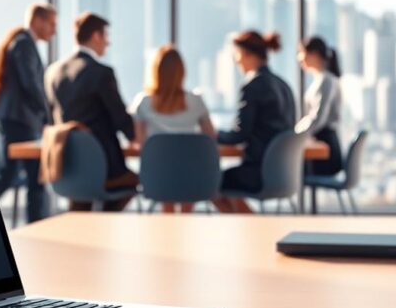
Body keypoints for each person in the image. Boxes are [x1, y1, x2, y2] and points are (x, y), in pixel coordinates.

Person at [45, 12, 137, 212]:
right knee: (133, 182)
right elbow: (120, 118)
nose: (108, 43)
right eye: (106, 37)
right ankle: (102, 221)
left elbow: (50, 117)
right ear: (96, 36)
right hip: (105, 170)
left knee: (81, 195)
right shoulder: (101, 73)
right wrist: (135, 136)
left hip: (66, 166)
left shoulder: (52, 72)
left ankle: (82, 229)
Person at [0, 2, 56, 223]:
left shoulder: (21, 42)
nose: (54, 30)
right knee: (33, 176)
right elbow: (31, 84)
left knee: (11, 174)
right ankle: (36, 227)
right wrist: (48, 117)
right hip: (20, 119)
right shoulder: (24, 44)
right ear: (37, 21)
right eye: (51, 24)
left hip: (17, 118)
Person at [213, 31, 296, 214]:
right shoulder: (284, 85)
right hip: (285, 173)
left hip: (258, 172)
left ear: (247, 53)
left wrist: (215, 135)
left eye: (237, 54)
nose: (236, 61)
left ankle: (251, 223)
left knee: (208, 181)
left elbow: (239, 134)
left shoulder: (252, 85)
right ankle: (250, 224)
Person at [130, 45, 216, 213]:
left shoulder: (143, 102)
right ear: (182, 72)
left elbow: (140, 143)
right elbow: (210, 136)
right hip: (193, 176)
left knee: (166, 182)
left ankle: (167, 224)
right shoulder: (196, 101)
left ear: (154, 71)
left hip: (158, 177)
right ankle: (184, 218)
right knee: (187, 181)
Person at [296, 37, 344, 176]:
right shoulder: (322, 79)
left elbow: (318, 118)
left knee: (287, 167)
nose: (299, 57)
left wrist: (295, 134)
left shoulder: (326, 80)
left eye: (301, 52)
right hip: (323, 146)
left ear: (314, 53)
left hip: (325, 152)